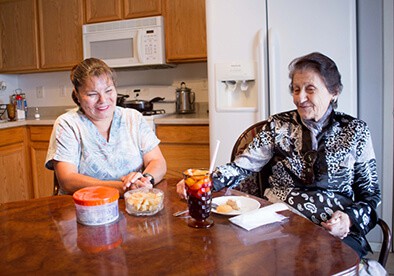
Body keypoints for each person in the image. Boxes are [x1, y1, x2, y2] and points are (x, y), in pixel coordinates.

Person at [177, 52, 381, 260]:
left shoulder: (355, 131)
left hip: (331, 228)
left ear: (334, 92)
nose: (300, 98)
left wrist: (348, 220)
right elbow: (243, 166)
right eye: (295, 89)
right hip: (277, 223)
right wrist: (204, 182)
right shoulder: (278, 125)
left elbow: (371, 195)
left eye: (310, 90)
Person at [46, 58, 166, 196]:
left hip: (132, 203)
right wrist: (123, 188)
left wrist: (146, 179)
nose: (103, 100)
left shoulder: (133, 118)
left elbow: (157, 161)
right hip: (82, 207)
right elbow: (67, 180)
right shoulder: (68, 124)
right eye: (92, 94)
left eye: (108, 91)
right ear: (77, 95)